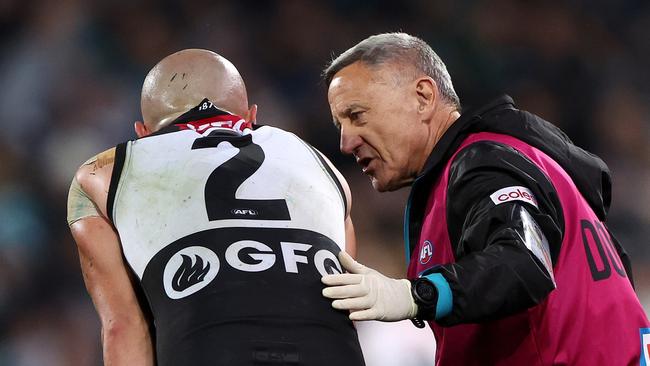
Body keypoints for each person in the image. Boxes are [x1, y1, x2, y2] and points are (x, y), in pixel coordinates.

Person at [320, 32, 650, 365]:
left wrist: (417, 295)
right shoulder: (520, 160)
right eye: (339, 125)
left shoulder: (481, 162)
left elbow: (526, 261)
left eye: (357, 115)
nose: (346, 143)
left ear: (423, 97)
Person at [67, 49, 366, 366]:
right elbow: (348, 304)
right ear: (251, 116)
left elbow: (122, 327)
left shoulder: (102, 174)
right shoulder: (323, 167)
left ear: (143, 134)